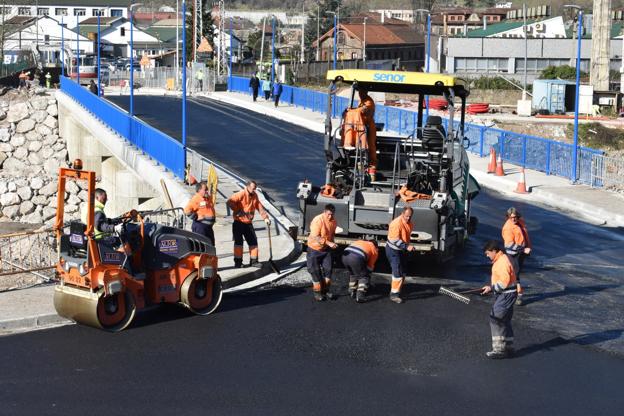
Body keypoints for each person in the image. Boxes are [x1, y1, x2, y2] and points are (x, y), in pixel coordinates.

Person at [480, 240, 518, 359]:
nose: (487, 256)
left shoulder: (502, 262)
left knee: (496, 319)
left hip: (506, 294)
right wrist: (490, 287)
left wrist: (492, 288)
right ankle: (508, 347)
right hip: (508, 294)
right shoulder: (502, 259)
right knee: (504, 320)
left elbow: (504, 281)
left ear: (494, 251)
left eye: (488, 253)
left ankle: (499, 350)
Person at [227, 180, 271, 268]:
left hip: (248, 223)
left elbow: (259, 206)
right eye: (252, 188)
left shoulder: (255, 195)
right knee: (239, 243)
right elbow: (229, 202)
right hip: (238, 223)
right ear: (247, 186)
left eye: (255, 188)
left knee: (253, 242)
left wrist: (265, 218)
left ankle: (254, 261)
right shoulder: (241, 194)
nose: (253, 190)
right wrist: (238, 210)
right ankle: (238, 263)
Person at [306, 204, 338, 301]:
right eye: (328, 214)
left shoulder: (333, 221)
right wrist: (329, 243)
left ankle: (326, 290)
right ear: (324, 212)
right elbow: (316, 236)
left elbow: (331, 235)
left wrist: (332, 244)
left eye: (332, 214)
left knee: (328, 270)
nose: (330, 216)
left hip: (326, 250)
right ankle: (317, 292)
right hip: (314, 250)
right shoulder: (318, 220)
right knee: (315, 272)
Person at [385, 207, 416, 304]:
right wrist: (406, 247)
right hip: (393, 250)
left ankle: (398, 289)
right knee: (397, 271)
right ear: (402, 214)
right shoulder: (396, 223)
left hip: (401, 250)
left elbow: (405, 236)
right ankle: (394, 295)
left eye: (409, 216)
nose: (408, 218)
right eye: (406, 216)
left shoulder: (409, 223)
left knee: (403, 270)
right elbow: (394, 240)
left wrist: (406, 247)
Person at [501, 207, 531, 305]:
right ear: (508, 217)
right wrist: (523, 249)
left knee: (514, 274)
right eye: (511, 217)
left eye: (515, 217)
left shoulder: (519, 222)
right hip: (513, 255)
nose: (513, 219)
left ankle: (509, 292)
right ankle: (519, 295)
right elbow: (508, 245)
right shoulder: (508, 228)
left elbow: (523, 235)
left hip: (520, 254)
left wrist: (527, 247)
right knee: (515, 275)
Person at [342, 239, 378, 303]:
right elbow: (370, 266)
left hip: (344, 256)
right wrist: (368, 274)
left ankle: (352, 290)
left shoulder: (359, 241)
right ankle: (360, 296)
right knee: (363, 276)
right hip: (356, 257)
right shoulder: (374, 249)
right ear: (376, 246)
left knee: (353, 273)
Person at [184, 182, 216, 246]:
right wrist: (196, 217)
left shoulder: (208, 198)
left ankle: (209, 256)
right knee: (201, 245)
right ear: (199, 190)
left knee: (211, 245)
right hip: (200, 227)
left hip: (208, 227)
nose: (207, 191)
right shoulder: (196, 199)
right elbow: (187, 210)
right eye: (205, 189)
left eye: (207, 189)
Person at [357, 87, 378, 178]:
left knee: (371, 145)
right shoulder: (361, 100)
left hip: (369, 126)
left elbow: (363, 110)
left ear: (365, 92)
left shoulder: (369, 101)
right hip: (362, 126)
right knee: (361, 144)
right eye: (359, 92)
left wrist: (352, 110)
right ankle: (361, 162)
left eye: (362, 92)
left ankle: (372, 164)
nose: (360, 94)